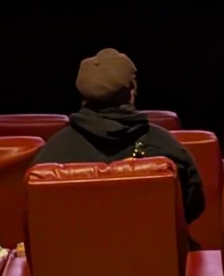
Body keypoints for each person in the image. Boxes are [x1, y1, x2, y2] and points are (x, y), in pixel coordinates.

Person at [35, 48, 206, 231]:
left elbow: (38, 220)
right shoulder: (167, 148)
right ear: (133, 91)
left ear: (83, 97)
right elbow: (192, 208)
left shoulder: (49, 158)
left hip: (73, 249)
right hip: (153, 248)